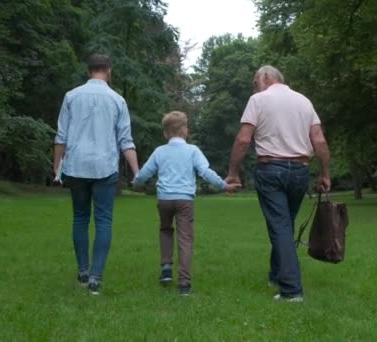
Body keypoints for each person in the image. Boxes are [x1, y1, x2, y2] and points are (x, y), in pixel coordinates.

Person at [225, 65, 331, 302]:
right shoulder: (304, 102)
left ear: (265, 77)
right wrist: (325, 174)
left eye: (254, 82)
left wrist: (233, 172)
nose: (254, 87)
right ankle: (276, 273)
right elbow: (319, 140)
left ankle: (291, 290)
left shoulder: (258, 100)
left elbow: (243, 139)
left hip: (271, 170)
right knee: (285, 224)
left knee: (281, 226)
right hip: (300, 172)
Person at [54, 54, 139, 295]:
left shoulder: (71, 96)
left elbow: (61, 136)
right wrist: (137, 172)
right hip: (105, 167)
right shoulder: (117, 100)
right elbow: (126, 140)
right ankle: (95, 277)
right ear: (108, 70)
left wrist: (56, 166)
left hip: (76, 166)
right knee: (104, 221)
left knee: (80, 218)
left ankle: (83, 270)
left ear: (89, 70)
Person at [133, 111, 241, 296]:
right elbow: (205, 172)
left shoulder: (159, 151)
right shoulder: (192, 151)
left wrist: (136, 183)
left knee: (166, 230)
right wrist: (224, 186)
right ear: (186, 131)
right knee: (185, 239)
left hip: (165, 199)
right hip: (185, 201)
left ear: (166, 133)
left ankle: (166, 267)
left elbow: (144, 173)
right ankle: (184, 283)